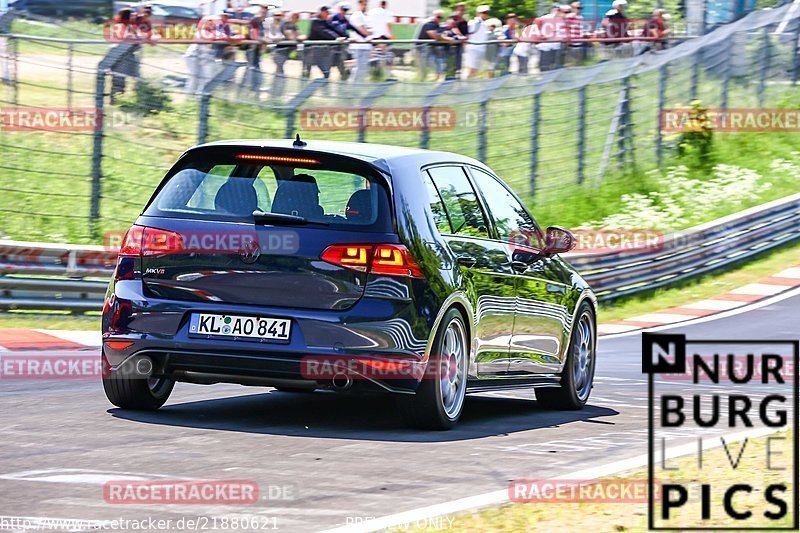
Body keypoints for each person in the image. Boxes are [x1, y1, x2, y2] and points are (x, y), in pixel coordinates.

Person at [308, 5, 348, 79]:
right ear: (322, 12)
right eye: (327, 12)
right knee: (309, 73)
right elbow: (325, 31)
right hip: (314, 50)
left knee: (327, 72)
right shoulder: (315, 21)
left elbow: (334, 29)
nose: (328, 14)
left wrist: (346, 37)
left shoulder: (325, 20)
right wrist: (337, 38)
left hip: (324, 50)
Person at [416, 9, 446, 80]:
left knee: (437, 66)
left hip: (430, 49)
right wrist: (447, 38)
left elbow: (443, 34)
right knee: (427, 68)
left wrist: (443, 36)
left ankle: (435, 81)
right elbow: (434, 36)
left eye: (441, 17)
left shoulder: (437, 25)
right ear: (434, 16)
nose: (439, 19)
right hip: (422, 49)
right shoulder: (429, 24)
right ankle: (423, 81)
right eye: (438, 17)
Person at [464, 4, 491, 79]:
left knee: (476, 70)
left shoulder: (484, 24)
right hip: (473, 49)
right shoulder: (473, 23)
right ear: (478, 13)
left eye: (486, 12)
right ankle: (465, 84)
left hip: (481, 49)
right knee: (471, 69)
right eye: (483, 12)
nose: (485, 14)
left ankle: (470, 84)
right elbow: (467, 34)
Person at [349, 0, 372, 83]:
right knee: (358, 68)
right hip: (358, 47)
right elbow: (363, 30)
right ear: (359, 4)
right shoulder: (357, 15)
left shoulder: (364, 16)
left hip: (364, 47)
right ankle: (354, 88)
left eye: (366, 4)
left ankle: (358, 86)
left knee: (363, 68)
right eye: (363, 4)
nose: (365, 6)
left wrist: (369, 32)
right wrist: (369, 32)